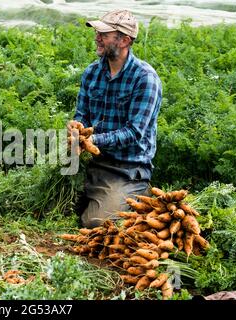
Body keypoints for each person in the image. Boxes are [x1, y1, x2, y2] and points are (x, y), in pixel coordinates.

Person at [69, 9, 163, 228]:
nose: (97, 37)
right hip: (92, 160)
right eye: (97, 32)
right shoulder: (92, 73)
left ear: (124, 40)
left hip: (126, 168)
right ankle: (101, 196)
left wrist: (95, 141)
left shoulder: (145, 79)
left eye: (104, 33)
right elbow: (81, 115)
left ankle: (138, 191)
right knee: (50, 204)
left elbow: (134, 132)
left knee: (96, 223)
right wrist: (76, 128)